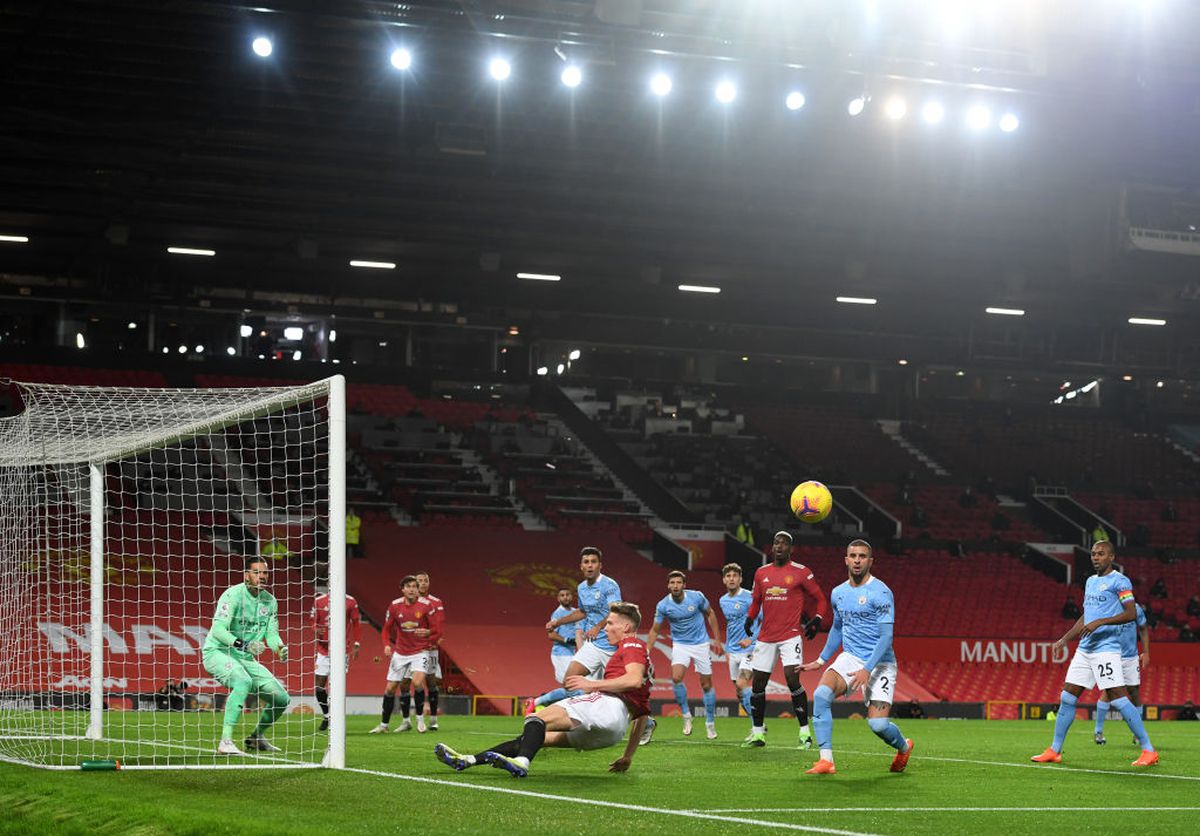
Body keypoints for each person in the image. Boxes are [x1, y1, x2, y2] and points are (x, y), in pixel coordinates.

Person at [433, 602, 651, 777]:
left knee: (535, 718)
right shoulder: (642, 659)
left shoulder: (632, 645)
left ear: (626, 628)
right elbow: (641, 715)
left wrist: (591, 684)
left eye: (610, 623)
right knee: (535, 738)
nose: (605, 628)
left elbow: (633, 680)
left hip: (606, 706)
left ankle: (522, 763)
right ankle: (468, 760)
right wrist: (628, 756)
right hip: (614, 732)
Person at [1030, 540, 1158, 766]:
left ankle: (1148, 750)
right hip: (1084, 649)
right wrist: (1064, 639)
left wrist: (1101, 622)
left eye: (1101, 554)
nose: (1096, 557)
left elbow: (1130, 613)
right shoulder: (1090, 581)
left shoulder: (1120, 581)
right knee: (1067, 697)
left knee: (1118, 697)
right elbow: (1086, 617)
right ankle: (1055, 750)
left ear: (1111, 557)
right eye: (1093, 554)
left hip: (1106, 649)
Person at [801, 539, 913, 775]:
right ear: (846, 560)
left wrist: (867, 669)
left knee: (878, 725)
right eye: (853, 556)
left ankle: (904, 747)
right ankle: (826, 760)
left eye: (862, 556)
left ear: (870, 561)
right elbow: (837, 628)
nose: (857, 560)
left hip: (880, 663)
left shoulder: (881, 592)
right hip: (850, 657)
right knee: (821, 695)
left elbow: (886, 637)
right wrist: (821, 660)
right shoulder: (838, 593)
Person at [742, 531, 829, 749]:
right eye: (776, 543)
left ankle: (804, 734)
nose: (779, 546)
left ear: (791, 549)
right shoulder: (761, 572)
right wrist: (750, 618)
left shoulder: (801, 572)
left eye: (784, 543)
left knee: (792, 680)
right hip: (765, 637)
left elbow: (820, 599)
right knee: (758, 684)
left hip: (790, 636)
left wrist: (818, 618)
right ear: (772, 547)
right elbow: (756, 601)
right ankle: (758, 734)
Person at [201, 556, 290, 755]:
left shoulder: (270, 601)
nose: (262, 576)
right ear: (246, 575)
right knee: (243, 681)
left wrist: (279, 648)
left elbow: (271, 635)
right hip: (218, 652)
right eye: (256, 572)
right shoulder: (232, 595)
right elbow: (218, 630)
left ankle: (256, 737)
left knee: (281, 698)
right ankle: (225, 742)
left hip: (245, 658)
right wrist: (244, 644)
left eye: (265, 573)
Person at [537, 547, 623, 703]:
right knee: (569, 682)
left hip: (611, 646)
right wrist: (557, 622)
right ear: (581, 566)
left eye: (593, 562)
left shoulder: (609, 585)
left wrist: (598, 627)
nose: (590, 565)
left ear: (600, 565)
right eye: (586, 562)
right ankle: (542, 703)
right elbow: (582, 612)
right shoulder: (581, 587)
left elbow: (616, 611)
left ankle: (642, 717)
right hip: (592, 645)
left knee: (619, 692)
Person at [645, 570, 723, 739]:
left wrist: (717, 640)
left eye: (679, 582)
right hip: (680, 645)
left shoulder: (696, 597)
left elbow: (710, 613)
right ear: (668, 585)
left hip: (701, 644)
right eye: (672, 583)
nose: (675, 586)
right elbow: (655, 630)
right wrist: (647, 651)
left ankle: (710, 723)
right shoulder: (663, 605)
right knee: (676, 678)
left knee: (706, 685)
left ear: (684, 585)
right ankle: (687, 716)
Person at [370, 575, 442, 734]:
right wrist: (387, 645)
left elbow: (438, 630)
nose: (412, 589)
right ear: (402, 589)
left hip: (420, 652)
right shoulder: (394, 606)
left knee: (417, 682)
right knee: (390, 688)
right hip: (400, 653)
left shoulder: (427, 606)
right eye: (408, 587)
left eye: (414, 587)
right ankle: (384, 725)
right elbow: (386, 629)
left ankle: (420, 720)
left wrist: (428, 632)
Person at [1094, 602, 1148, 745]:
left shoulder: (1136, 608)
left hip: (1130, 657)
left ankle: (1137, 733)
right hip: (1111, 655)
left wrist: (1146, 652)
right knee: (1108, 692)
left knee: (1134, 692)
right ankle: (1098, 731)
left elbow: (1143, 628)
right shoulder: (1107, 606)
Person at [718, 563, 760, 738]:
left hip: (751, 649)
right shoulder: (723, 600)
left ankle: (757, 728)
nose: (731, 579)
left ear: (740, 579)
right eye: (728, 576)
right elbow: (732, 625)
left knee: (743, 684)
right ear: (724, 580)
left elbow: (763, 621)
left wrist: (752, 639)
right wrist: (728, 648)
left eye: (735, 576)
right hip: (733, 650)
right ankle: (758, 724)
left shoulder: (750, 597)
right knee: (739, 692)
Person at [310, 590, 363, 731]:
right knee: (319, 687)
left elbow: (356, 623)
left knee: (336, 687)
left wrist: (357, 643)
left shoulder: (350, 601)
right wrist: (316, 629)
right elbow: (312, 622)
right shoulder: (319, 601)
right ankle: (327, 716)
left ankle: (336, 719)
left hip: (341, 650)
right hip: (323, 650)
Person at [402, 571, 445, 732]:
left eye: (426, 580)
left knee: (431, 681)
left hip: (429, 648)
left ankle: (433, 718)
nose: (423, 583)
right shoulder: (407, 602)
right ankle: (406, 720)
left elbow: (439, 625)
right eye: (420, 581)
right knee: (405, 682)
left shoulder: (436, 602)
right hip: (410, 649)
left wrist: (433, 640)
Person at [526, 587, 578, 713]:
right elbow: (551, 635)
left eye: (568, 594)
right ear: (558, 598)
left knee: (573, 686)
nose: (565, 597)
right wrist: (567, 640)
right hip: (561, 653)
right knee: (571, 686)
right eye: (562, 595)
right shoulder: (557, 614)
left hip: (573, 653)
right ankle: (539, 702)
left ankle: (540, 703)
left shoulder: (576, 612)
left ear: (572, 597)